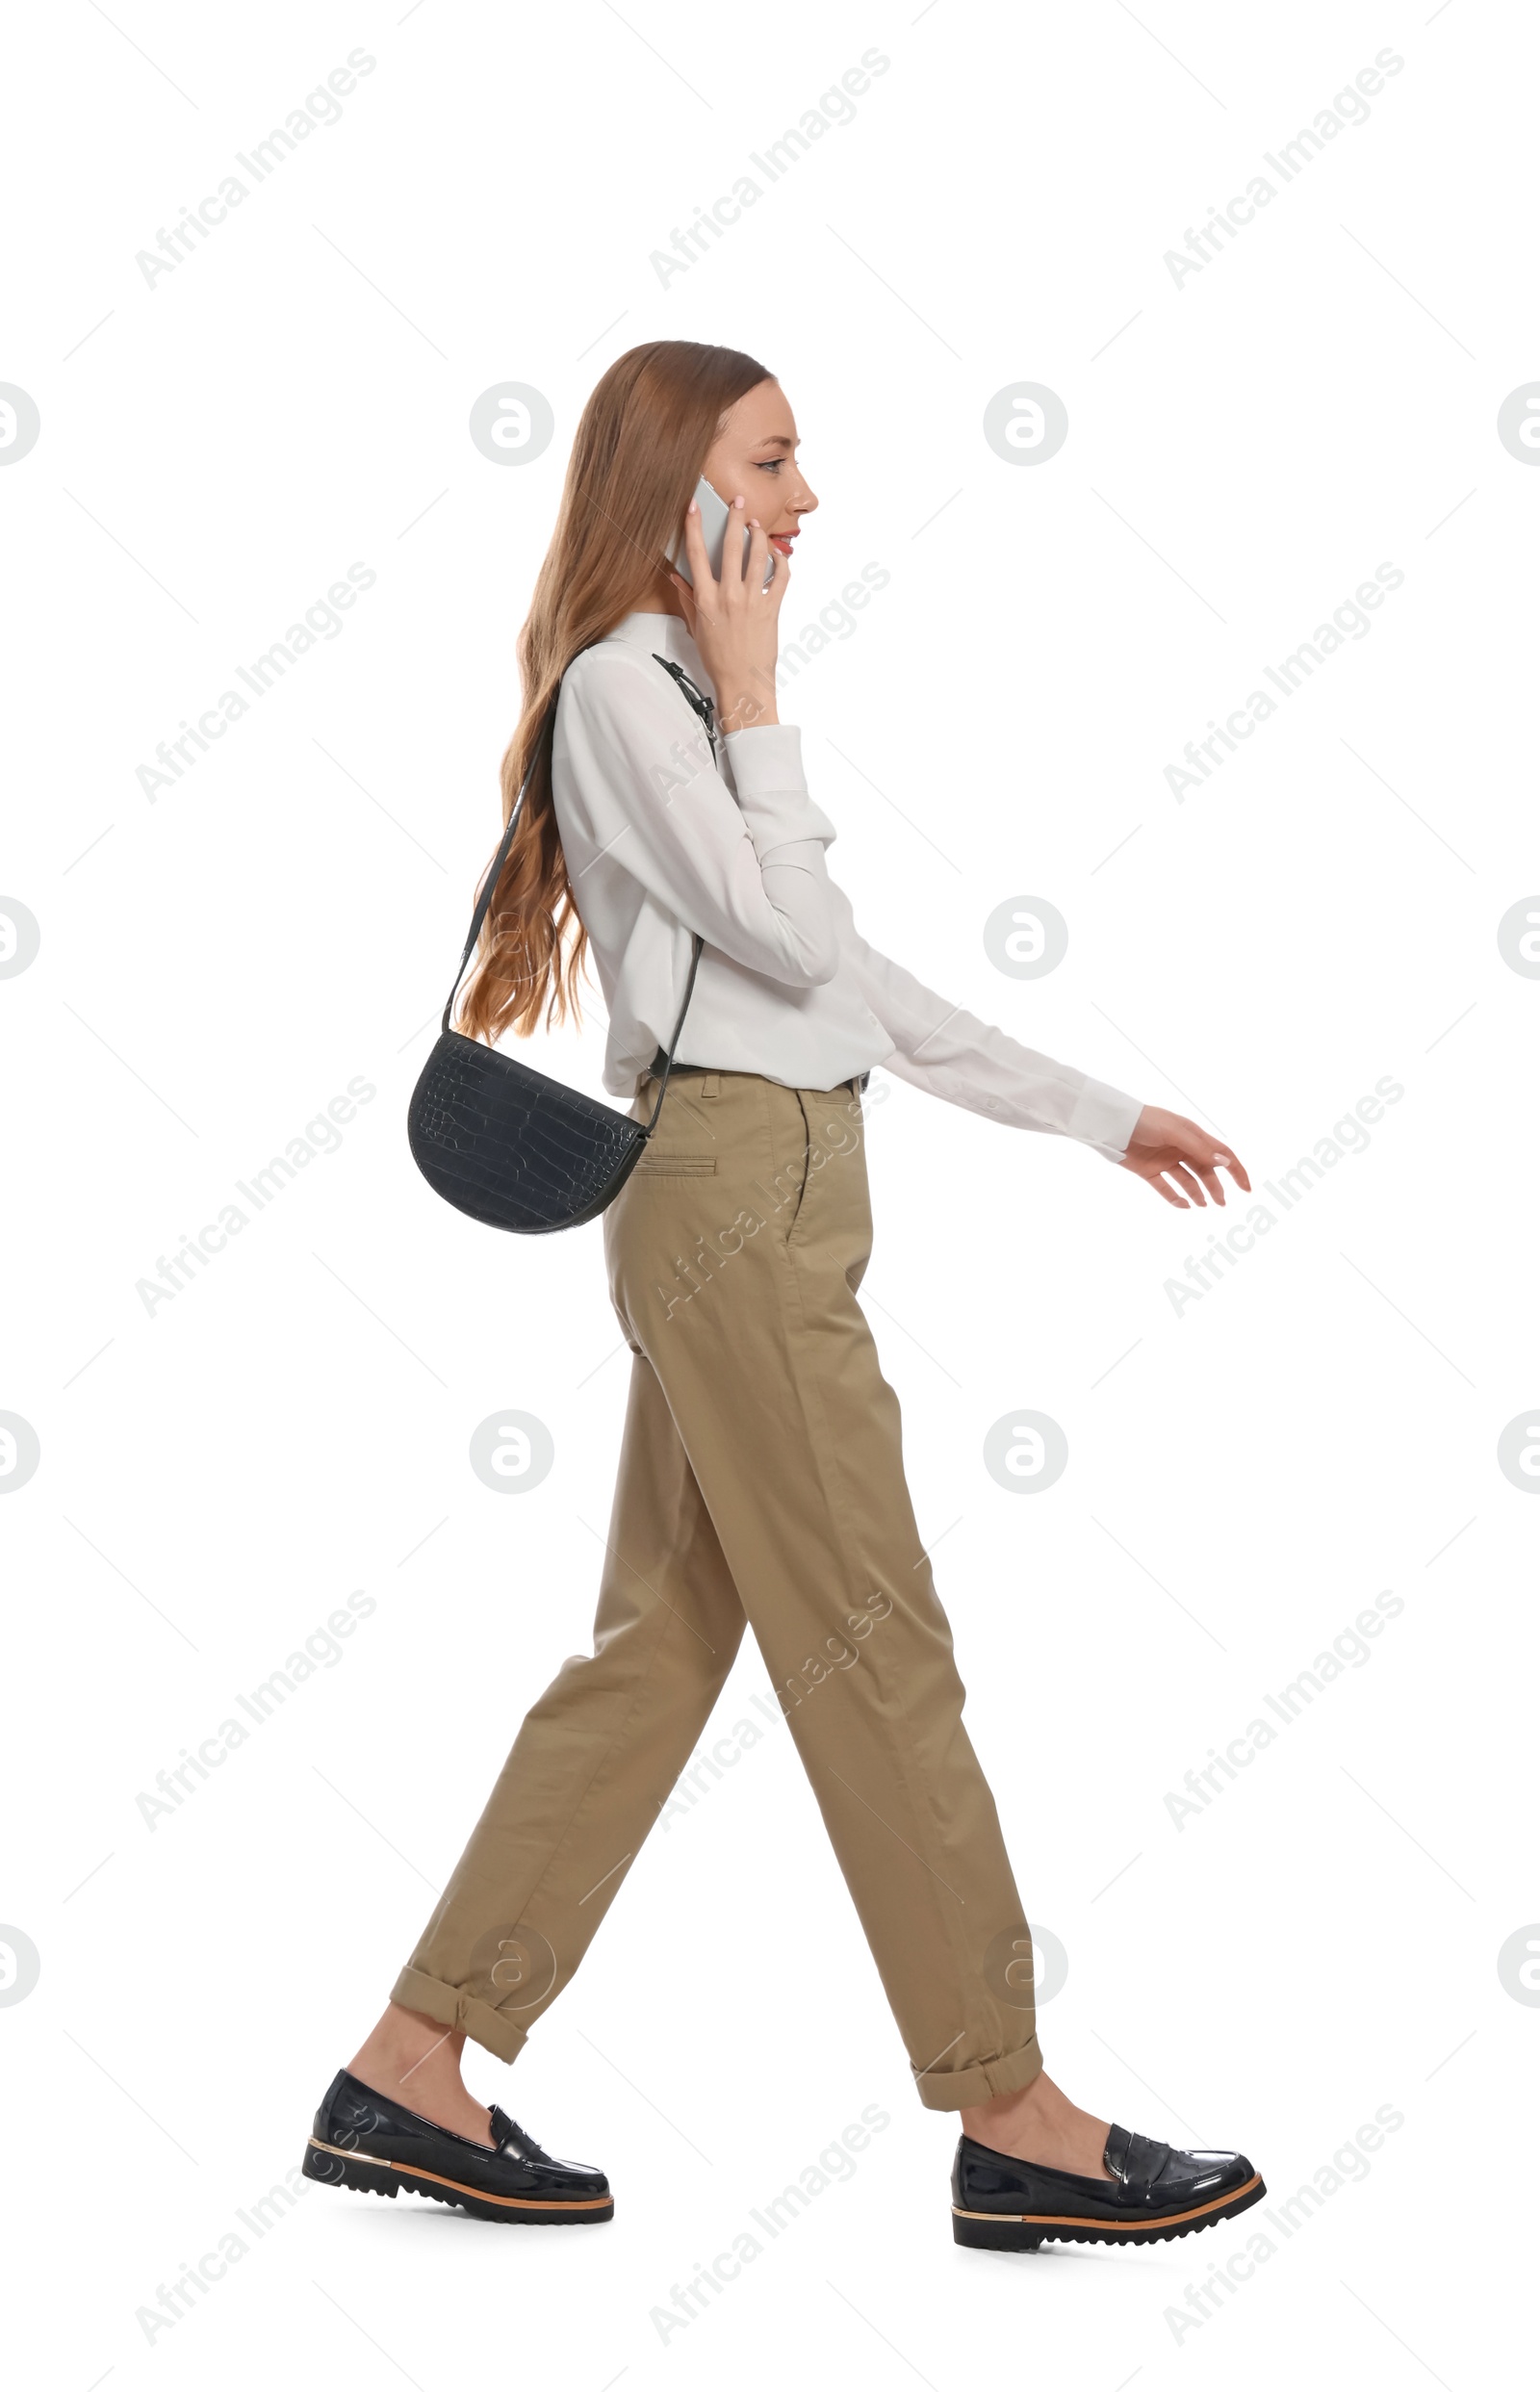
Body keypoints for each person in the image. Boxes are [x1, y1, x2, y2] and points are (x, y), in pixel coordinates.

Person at [302, 341, 1266, 2251]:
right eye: (770, 459)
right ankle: (1008, 2107)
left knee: (662, 1648)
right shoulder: (635, 694)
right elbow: (788, 930)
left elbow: (849, 993)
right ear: (676, 489)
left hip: (767, 1186)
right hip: (736, 1199)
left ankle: (408, 2065)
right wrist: (758, 708)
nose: (806, 496)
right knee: (874, 1640)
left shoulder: (664, 694)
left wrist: (1093, 1111)